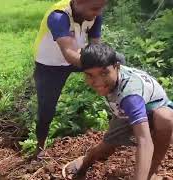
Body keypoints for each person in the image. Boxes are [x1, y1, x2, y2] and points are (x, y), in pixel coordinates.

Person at [63, 43, 173, 180]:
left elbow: (144, 141)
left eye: (104, 73)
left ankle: (150, 173)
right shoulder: (113, 67)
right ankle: (83, 166)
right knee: (106, 147)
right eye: (90, 75)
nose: (97, 81)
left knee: (165, 118)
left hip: (151, 109)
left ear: (117, 67)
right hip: (123, 112)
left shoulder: (130, 96)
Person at [33, 0, 107, 157]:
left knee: (115, 61)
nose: (99, 12)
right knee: (46, 109)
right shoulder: (58, 16)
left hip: (78, 55)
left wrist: (106, 66)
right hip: (49, 66)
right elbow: (68, 54)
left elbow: (95, 47)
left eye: (101, 8)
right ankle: (40, 147)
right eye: (95, 8)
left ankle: (122, 113)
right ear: (79, 2)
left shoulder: (95, 15)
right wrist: (98, 67)